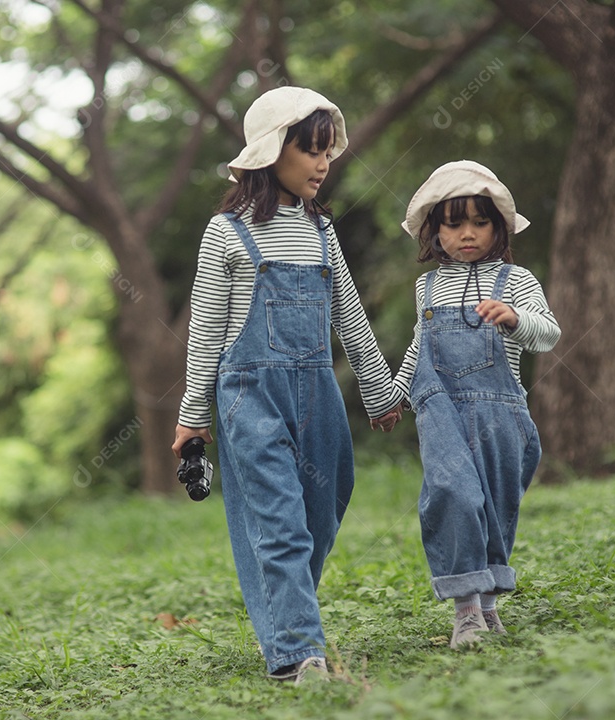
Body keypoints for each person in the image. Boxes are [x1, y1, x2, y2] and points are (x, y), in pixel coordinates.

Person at [172, 86, 401, 684]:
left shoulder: (322, 232)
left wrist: (377, 391)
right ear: (274, 152)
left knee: (323, 508)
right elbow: (205, 329)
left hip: (317, 392)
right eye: (313, 151)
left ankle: (284, 615)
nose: (325, 164)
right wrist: (194, 416)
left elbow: (348, 314)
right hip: (249, 394)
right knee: (279, 521)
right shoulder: (225, 233)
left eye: (329, 152)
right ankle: (299, 654)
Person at [391, 160, 561, 649]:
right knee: (453, 494)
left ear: (498, 227)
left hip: (502, 413)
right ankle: (465, 612)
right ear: (435, 230)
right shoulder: (426, 287)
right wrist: (395, 395)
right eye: (454, 223)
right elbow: (418, 348)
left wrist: (513, 318)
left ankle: (488, 605)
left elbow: (548, 335)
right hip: (441, 410)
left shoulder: (517, 280)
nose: (468, 233)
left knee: (495, 505)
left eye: (480, 222)